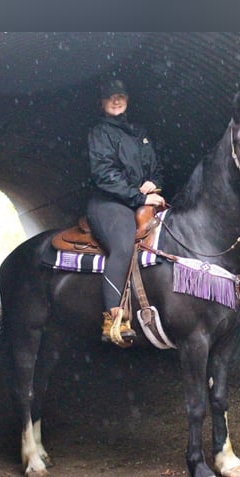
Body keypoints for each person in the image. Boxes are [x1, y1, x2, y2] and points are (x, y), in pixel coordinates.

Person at [86, 77, 166, 346]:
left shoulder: (139, 132)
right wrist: (138, 195)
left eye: (120, 95)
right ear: (102, 102)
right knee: (123, 243)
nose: (116, 100)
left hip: (140, 199)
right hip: (110, 203)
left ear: (127, 99)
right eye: (110, 96)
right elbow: (104, 175)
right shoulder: (99, 133)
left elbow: (156, 167)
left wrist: (154, 183)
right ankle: (113, 318)